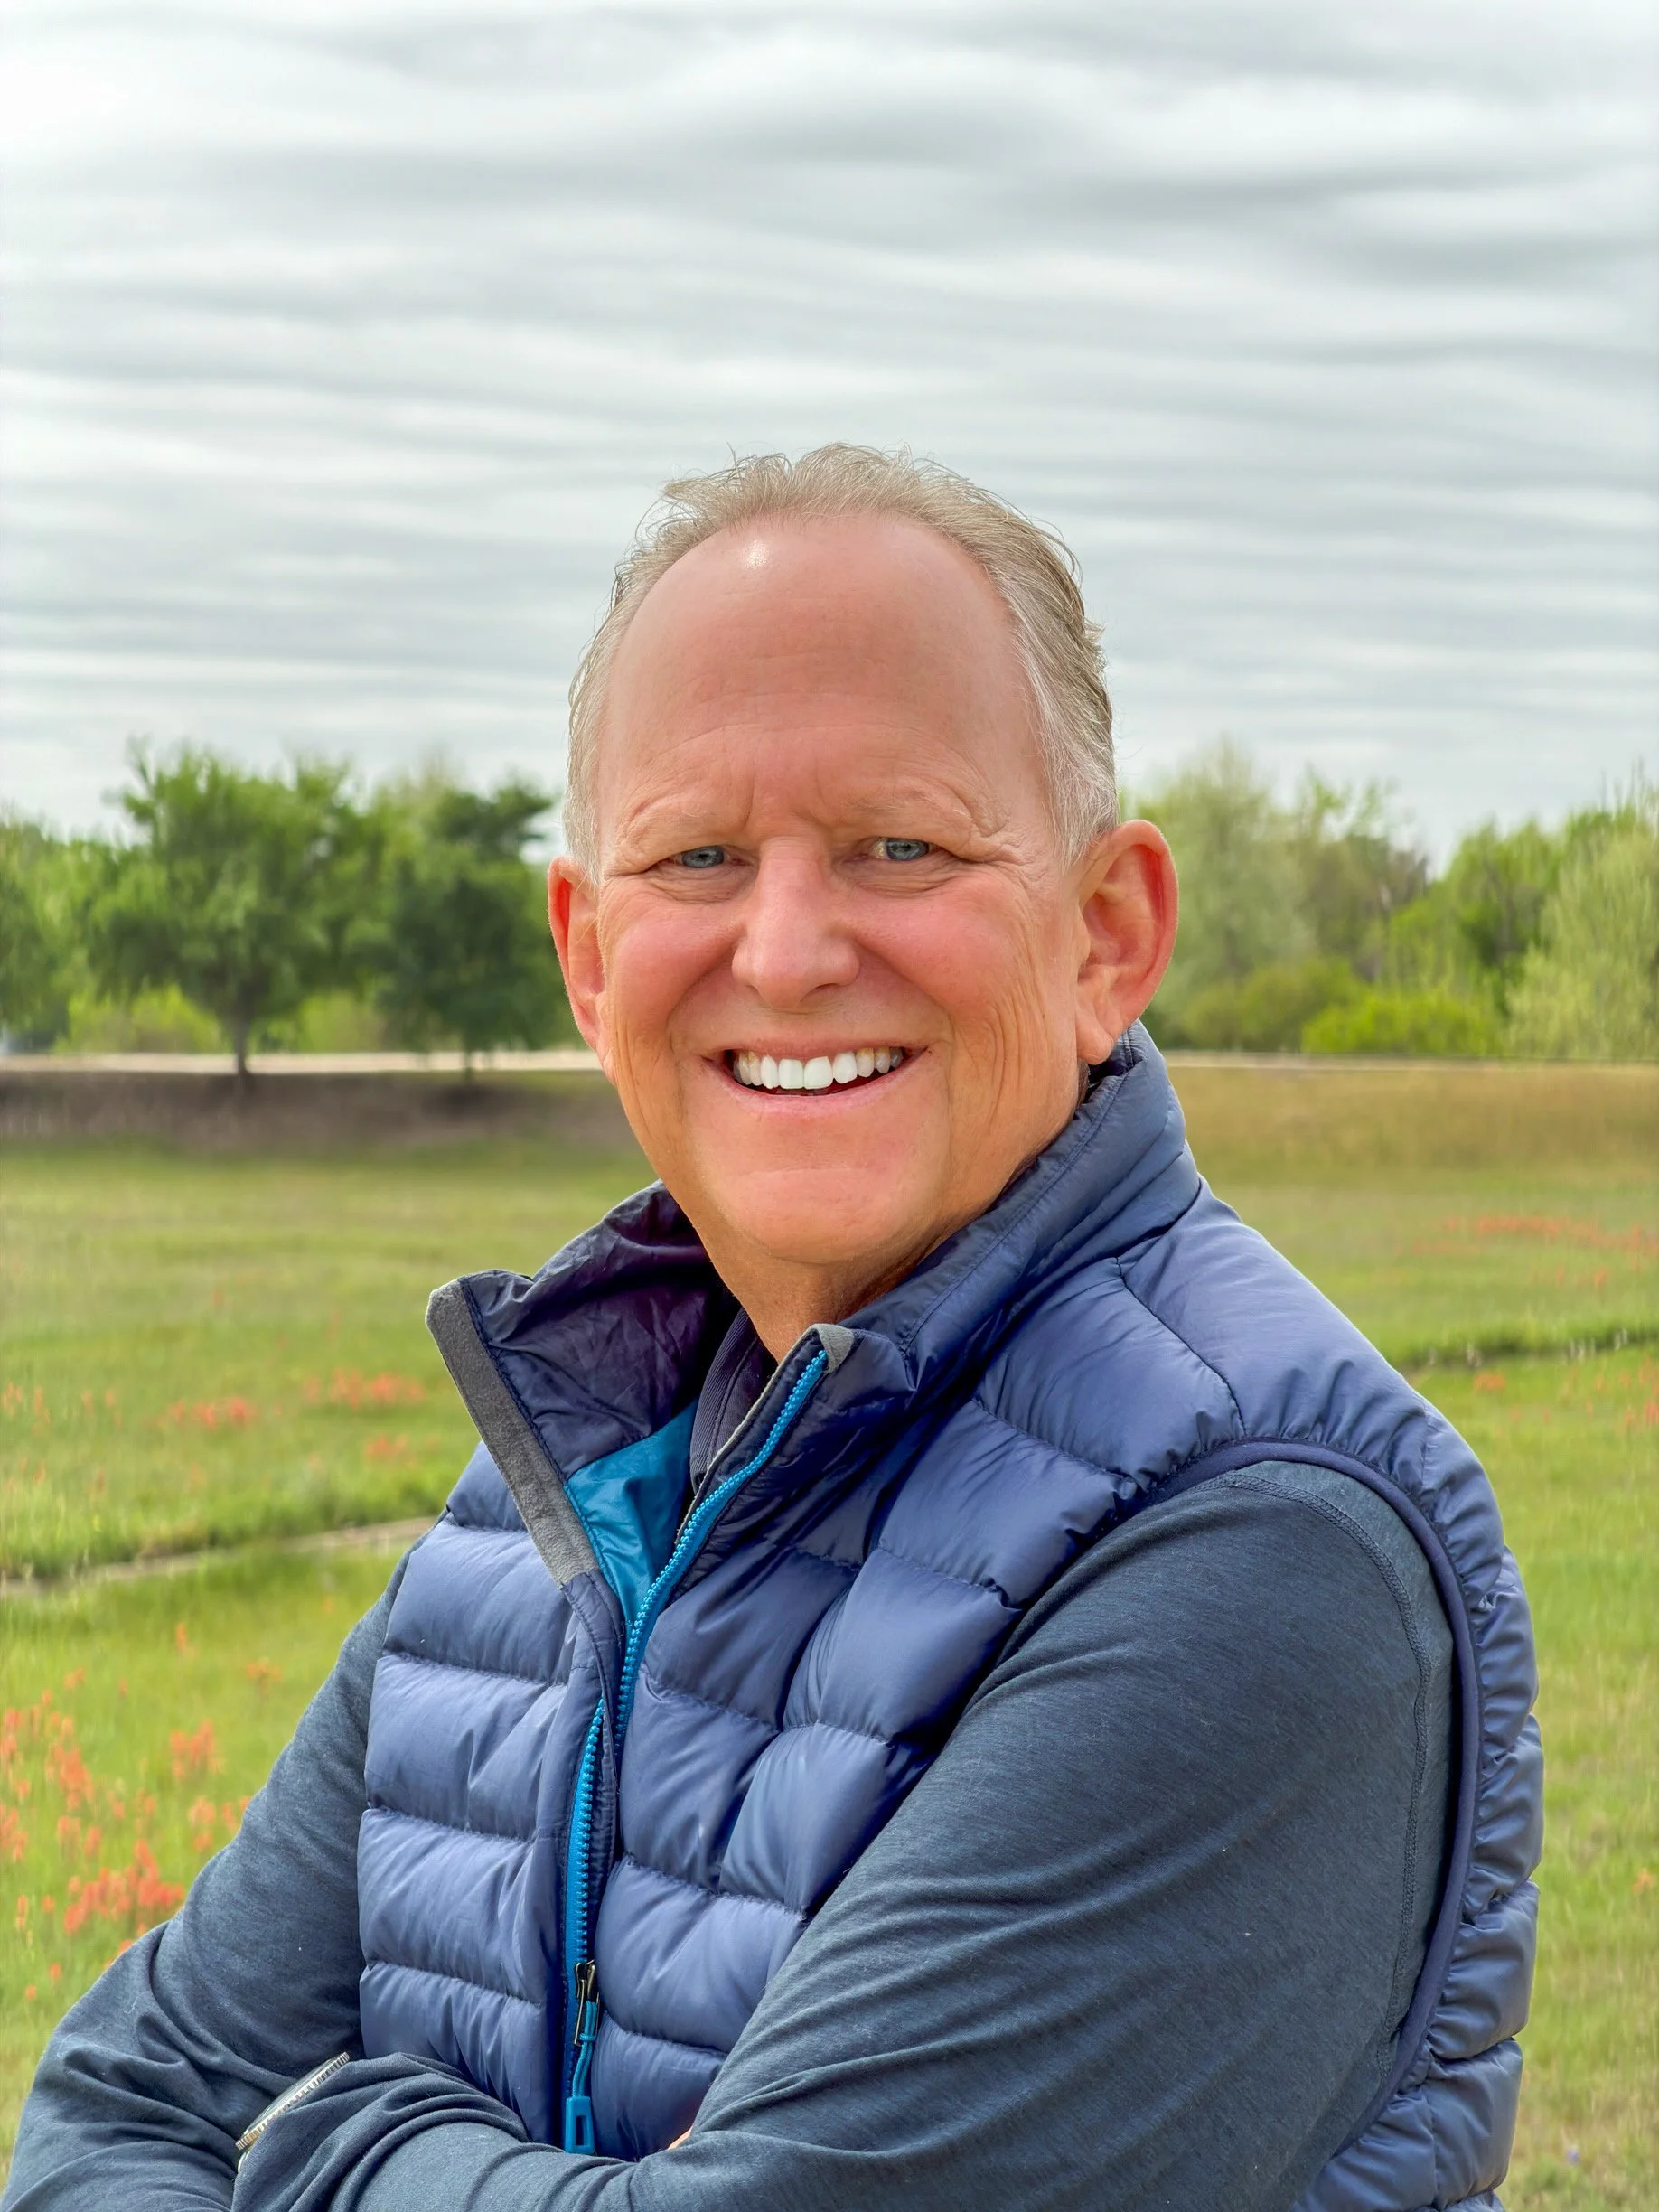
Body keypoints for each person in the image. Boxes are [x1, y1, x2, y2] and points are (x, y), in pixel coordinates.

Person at [4, 446, 1541, 2212]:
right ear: (589, 959)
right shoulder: (555, 1500)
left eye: (902, 843)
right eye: (698, 855)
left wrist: (343, 2155)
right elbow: (123, 2101)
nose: (791, 947)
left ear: (1106, 934)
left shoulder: (1263, 1536)